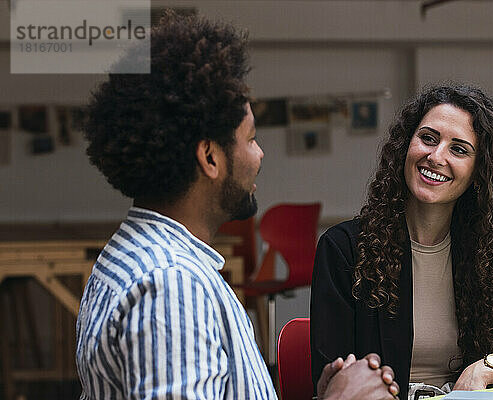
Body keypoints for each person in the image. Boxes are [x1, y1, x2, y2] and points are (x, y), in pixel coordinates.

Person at [76, 11, 399, 400]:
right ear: (210, 158)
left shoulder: (129, 257)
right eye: (250, 138)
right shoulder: (172, 285)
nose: (260, 154)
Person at [310, 84, 493, 399]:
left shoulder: (489, 249)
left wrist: (488, 367)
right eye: (428, 138)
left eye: (459, 149)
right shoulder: (345, 248)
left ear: (479, 171)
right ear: (406, 146)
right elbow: (332, 379)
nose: (436, 156)